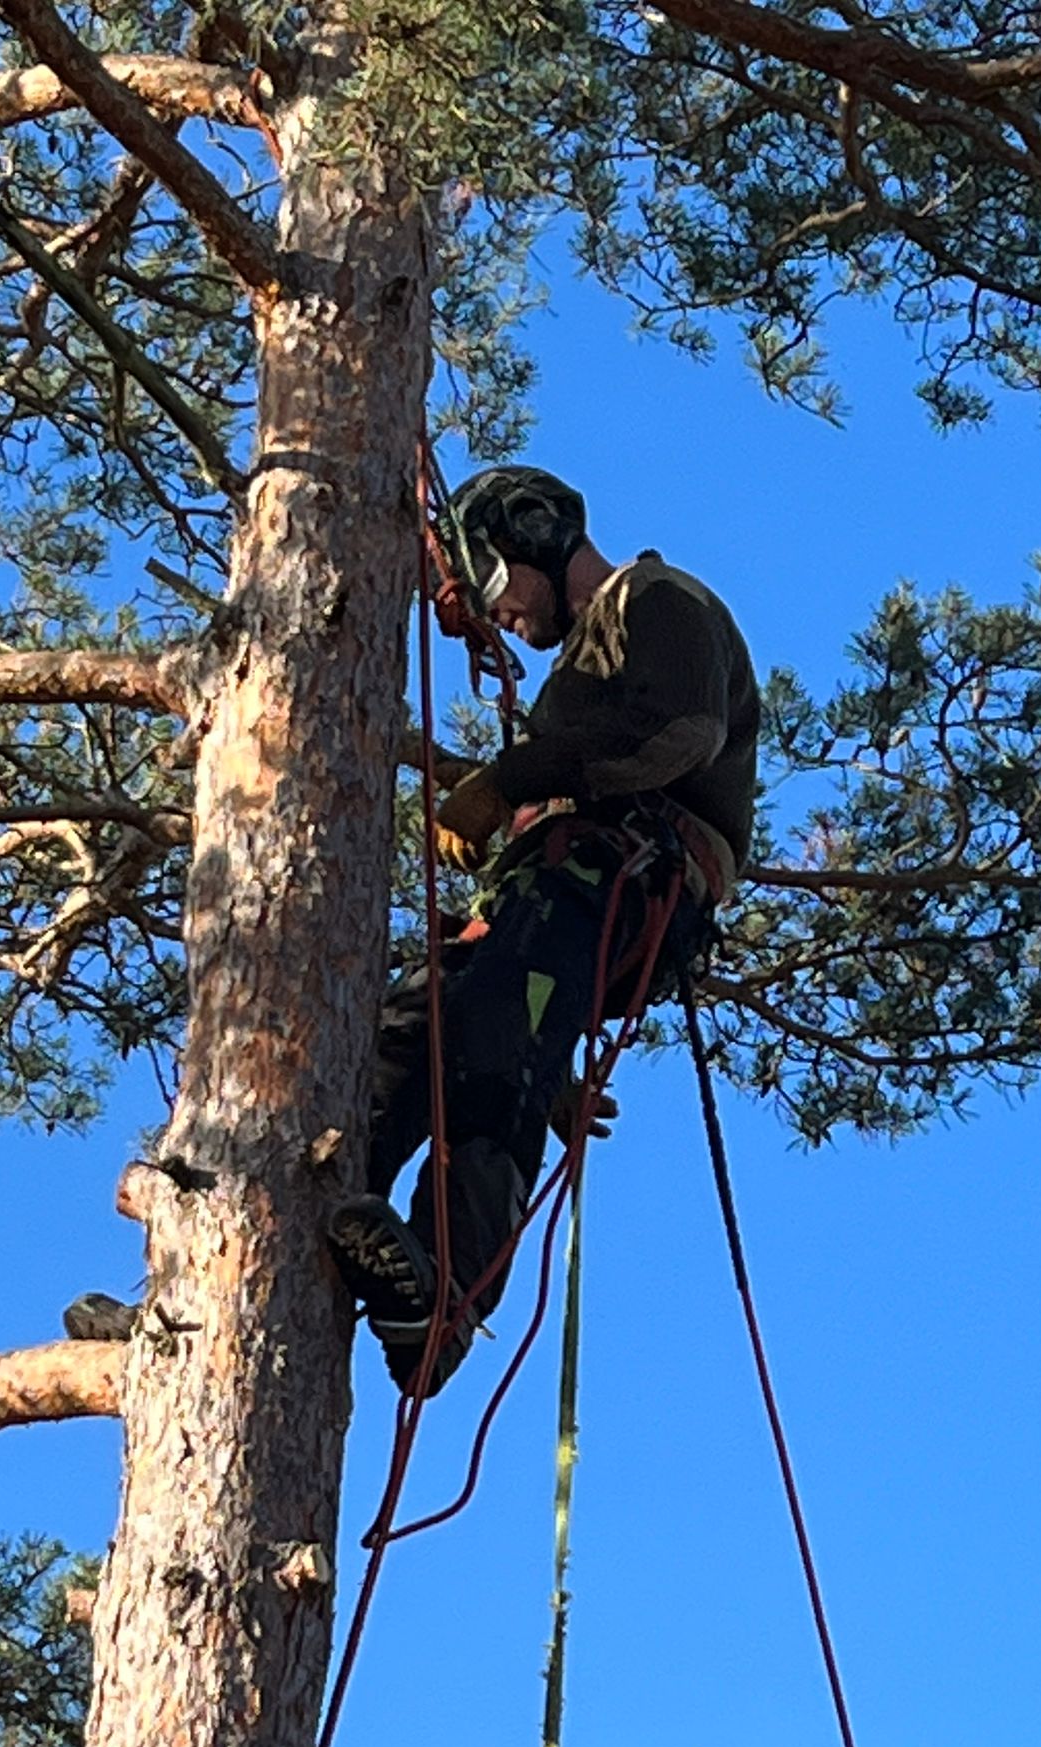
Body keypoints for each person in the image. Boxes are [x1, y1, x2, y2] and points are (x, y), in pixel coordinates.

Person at [325, 465, 759, 1392]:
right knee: (399, 1042)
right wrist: (549, 1063)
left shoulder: (656, 596)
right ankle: (238, 1269)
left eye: (491, 586)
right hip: (544, 907)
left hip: (621, 876)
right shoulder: (576, 674)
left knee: (490, 1034)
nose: (502, 621)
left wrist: (507, 782)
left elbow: (678, 731)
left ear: (534, 534)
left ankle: (448, 1295)